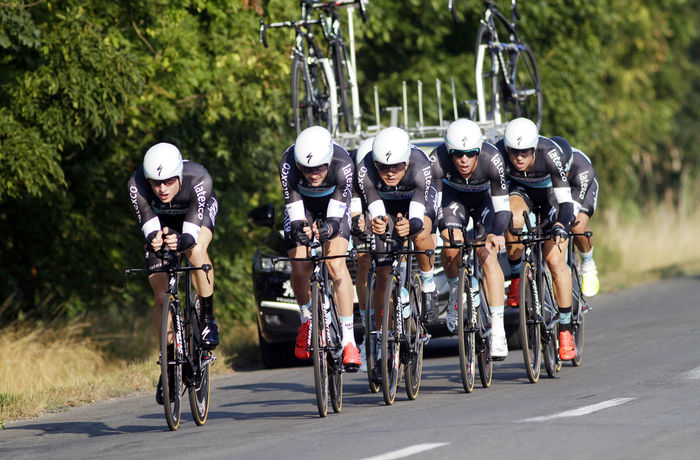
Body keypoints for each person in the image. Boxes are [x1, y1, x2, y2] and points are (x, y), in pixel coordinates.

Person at [127, 142, 219, 405]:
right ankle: (168, 362)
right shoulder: (136, 184)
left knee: (196, 250)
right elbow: (148, 223)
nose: (162, 189)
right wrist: (156, 239)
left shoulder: (198, 179)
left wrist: (181, 240)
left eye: (168, 181)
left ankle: (208, 316)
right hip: (162, 222)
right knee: (160, 294)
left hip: (194, 215)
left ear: (178, 176)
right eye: (156, 183)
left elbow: (189, 236)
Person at [279, 126, 361, 371]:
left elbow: (336, 220)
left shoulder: (343, 163)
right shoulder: (288, 164)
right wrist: (299, 229)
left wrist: (329, 230)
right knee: (300, 265)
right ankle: (306, 320)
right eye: (307, 169)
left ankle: (349, 341)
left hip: (333, 206)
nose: (313, 174)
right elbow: (294, 213)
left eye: (318, 168)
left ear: (328, 160)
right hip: (302, 205)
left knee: (335, 263)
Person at [495, 118, 578, 361]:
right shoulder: (499, 153)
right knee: (513, 216)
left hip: (551, 197)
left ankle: (565, 329)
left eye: (524, 152)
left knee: (554, 261)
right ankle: (517, 274)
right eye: (514, 152)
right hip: (522, 193)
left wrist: (561, 225)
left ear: (534, 149)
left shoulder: (549, 154)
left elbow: (566, 203)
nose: (518, 158)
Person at [430, 119, 511, 359]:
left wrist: (496, 233)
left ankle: (498, 330)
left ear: (479, 151)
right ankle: (457, 293)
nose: (463, 160)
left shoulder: (493, 159)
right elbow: (433, 207)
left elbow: (503, 208)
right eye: (457, 154)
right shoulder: (437, 160)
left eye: (470, 154)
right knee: (451, 243)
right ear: (449, 152)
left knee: (487, 256)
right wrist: (436, 232)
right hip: (453, 200)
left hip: (485, 202)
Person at [356, 127, 438, 339]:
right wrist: (379, 223)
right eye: (383, 168)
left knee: (419, 234)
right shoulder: (365, 169)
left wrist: (411, 226)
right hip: (385, 205)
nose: (390, 172)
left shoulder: (421, 167)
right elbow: (376, 210)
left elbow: (418, 216)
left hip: (416, 203)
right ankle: (382, 335)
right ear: (375, 164)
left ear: (407, 163)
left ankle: (428, 285)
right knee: (383, 271)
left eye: (396, 166)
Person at [551, 136, 600, 297]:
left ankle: (587, 262)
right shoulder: (545, 162)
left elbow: (572, 210)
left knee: (576, 225)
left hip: (581, 186)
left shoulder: (582, 167)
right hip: (554, 186)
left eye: (565, 171)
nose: (562, 174)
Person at [349, 137, 375, 372]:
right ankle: (368, 330)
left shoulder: (390, 168)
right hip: (365, 211)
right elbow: (355, 209)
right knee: (363, 260)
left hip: (391, 205)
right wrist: (360, 223)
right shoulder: (355, 171)